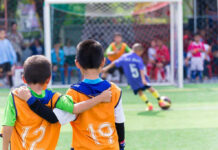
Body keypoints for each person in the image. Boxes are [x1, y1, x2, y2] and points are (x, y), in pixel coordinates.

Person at [2, 55, 112, 150]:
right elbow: (76, 109)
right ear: (48, 79)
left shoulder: (15, 96)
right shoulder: (55, 98)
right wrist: (100, 98)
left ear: (24, 79)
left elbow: (7, 127)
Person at [66, 40, 125, 150]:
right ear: (103, 61)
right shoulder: (114, 90)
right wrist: (121, 144)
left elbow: (64, 118)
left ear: (77, 63)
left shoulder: (73, 93)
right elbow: (119, 121)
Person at [102, 43, 169, 111]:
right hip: (140, 77)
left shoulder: (124, 57)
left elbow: (115, 62)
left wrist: (106, 68)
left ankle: (149, 105)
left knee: (140, 92)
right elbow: (141, 69)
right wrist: (143, 79)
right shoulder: (138, 58)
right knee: (150, 88)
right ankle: (160, 101)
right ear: (139, 51)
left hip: (132, 80)